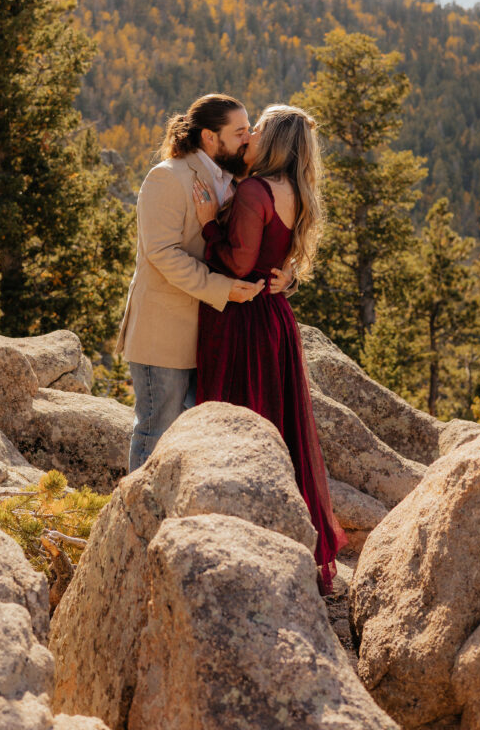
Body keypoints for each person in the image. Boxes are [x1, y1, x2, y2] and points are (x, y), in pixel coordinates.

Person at [192, 103, 348, 592]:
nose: (249, 135)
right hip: (275, 318)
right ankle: (290, 540)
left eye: (256, 128)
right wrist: (288, 277)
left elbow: (238, 264)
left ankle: (240, 537)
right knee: (280, 430)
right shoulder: (295, 191)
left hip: (242, 318)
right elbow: (277, 256)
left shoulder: (256, 190)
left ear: (274, 139)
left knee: (238, 424)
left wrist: (207, 225)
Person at [117, 93, 292, 473]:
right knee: (155, 431)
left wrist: (286, 273)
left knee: (199, 438)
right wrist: (222, 289)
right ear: (210, 137)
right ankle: (135, 525)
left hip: (210, 335)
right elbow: (162, 254)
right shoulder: (167, 177)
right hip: (163, 334)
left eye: (250, 130)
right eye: (240, 131)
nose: (248, 138)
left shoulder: (235, 180)